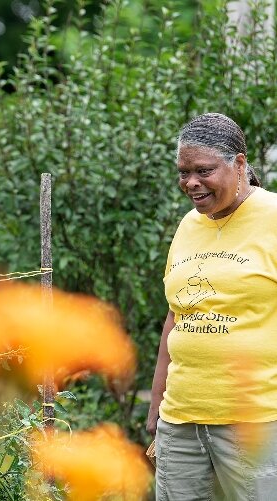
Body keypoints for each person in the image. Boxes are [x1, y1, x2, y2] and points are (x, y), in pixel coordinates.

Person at [146, 112, 277, 500]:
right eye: (183, 172)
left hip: (256, 421)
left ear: (239, 164)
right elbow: (176, 316)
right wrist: (157, 405)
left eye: (203, 170)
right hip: (181, 421)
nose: (190, 183)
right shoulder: (189, 224)